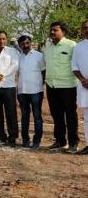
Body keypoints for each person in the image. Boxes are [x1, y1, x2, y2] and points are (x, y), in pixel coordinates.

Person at [44, 21, 78, 152]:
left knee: (70, 115)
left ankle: (73, 143)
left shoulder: (72, 45)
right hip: (51, 86)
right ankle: (59, 141)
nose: (52, 32)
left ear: (63, 32)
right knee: (56, 115)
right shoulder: (48, 47)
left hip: (67, 86)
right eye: (51, 30)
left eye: (55, 30)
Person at [17, 35, 45, 149]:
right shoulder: (18, 57)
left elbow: (44, 72)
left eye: (28, 43)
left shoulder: (39, 56)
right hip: (22, 91)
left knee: (37, 116)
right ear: (20, 45)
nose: (26, 45)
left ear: (31, 43)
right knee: (24, 117)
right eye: (23, 44)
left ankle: (37, 141)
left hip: (36, 91)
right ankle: (25, 140)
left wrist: (39, 84)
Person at [72, 20, 88, 155]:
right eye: (84, 28)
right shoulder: (78, 47)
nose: (86, 30)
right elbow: (74, 66)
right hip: (84, 87)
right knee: (87, 118)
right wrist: (83, 79)